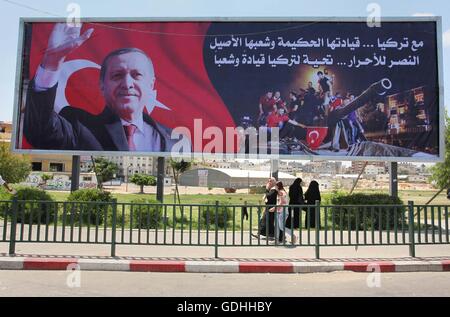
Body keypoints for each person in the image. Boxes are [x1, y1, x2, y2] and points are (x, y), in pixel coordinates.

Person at [24, 22, 181, 152]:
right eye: (117, 75)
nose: (127, 84)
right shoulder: (79, 125)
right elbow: (40, 131)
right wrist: (52, 61)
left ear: (151, 84)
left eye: (136, 75)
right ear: (102, 85)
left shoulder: (174, 139)